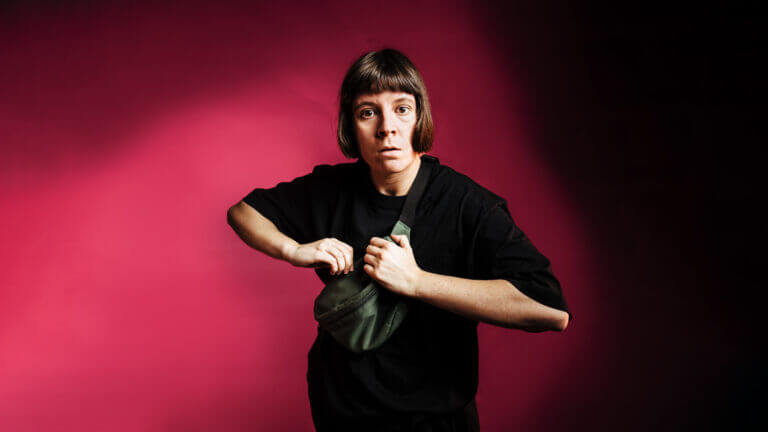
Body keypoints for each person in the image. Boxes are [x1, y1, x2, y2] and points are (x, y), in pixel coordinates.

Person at [227, 48, 571, 432]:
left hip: (435, 421)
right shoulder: (331, 189)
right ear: (350, 126)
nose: (386, 127)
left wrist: (418, 282)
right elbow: (243, 212)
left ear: (419, 117)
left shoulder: (468, 204)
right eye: (368, 112)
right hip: (340, 414)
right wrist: (294, 250)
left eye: (402, 109)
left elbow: (551, 311)